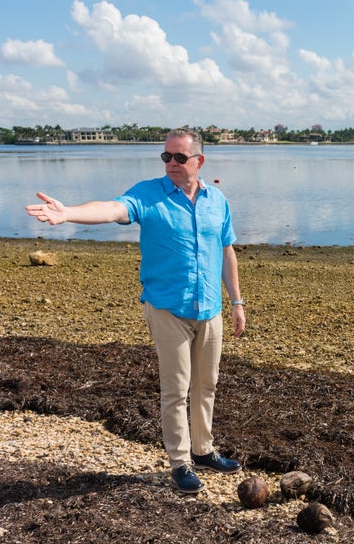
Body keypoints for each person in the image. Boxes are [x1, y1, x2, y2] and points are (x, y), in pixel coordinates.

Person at [25, 127, 246, 494]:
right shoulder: (148, 194)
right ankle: (181, 462)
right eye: (166, 156)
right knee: (176, 389)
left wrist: (237, 302)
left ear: (199, 161)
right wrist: (69, 213)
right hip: (167, 308)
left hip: (210, 309)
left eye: (179, 157)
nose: (171, 163)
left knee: (206, 384)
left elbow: (226, 251)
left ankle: (204, 449)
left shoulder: (217, 200)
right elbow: (113, 209)